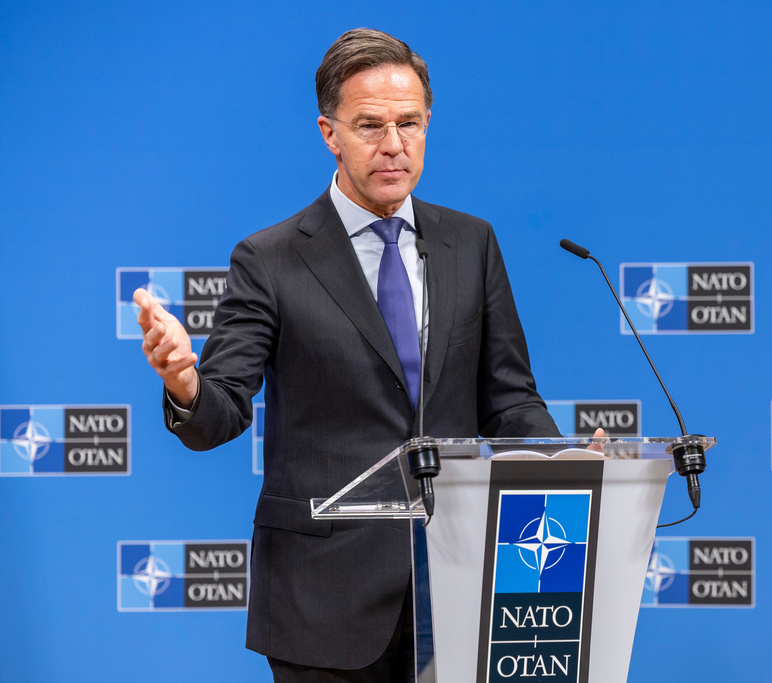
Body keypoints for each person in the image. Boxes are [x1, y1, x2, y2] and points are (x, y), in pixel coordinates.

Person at [133, 28, 585, 681]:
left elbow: (509, 397)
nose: (394, 144)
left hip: (461, 586)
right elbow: (220, 411)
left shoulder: (472, 242)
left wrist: (566, 464)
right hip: (323, 601)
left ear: (428, 123)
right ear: (329, 132)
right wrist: (184, 381)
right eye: (370, 125)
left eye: (410, 123)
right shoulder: (270, 259)